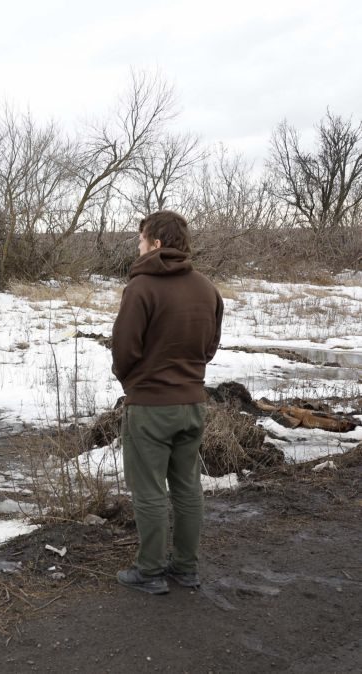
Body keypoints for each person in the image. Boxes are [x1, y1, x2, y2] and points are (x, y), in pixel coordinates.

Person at [111, 210, 223, 595]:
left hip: (150, 407)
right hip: (192, 402)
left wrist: (134, 383)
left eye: (141, 239)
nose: (138, 246)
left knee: (149, 491)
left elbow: (124, 349)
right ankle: (186, 569)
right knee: (188, 487)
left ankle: (151, 572)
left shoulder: (141, 288)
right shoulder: (207, 288)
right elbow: (209, 347)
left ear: (156, 243)